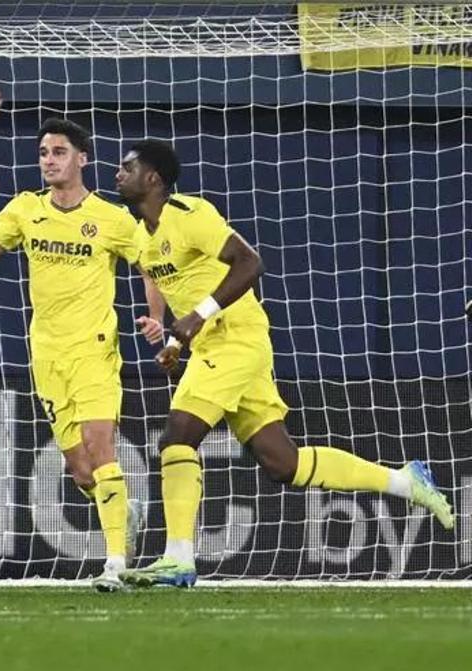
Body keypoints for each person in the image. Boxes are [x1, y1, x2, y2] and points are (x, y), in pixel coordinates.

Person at [113, 139, 454, 588]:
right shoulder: (142, 235)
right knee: (282, 463)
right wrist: (178, 342)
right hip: (219, 347)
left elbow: (250, 263)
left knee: (179, 436)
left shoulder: (190, 215)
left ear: (153, 178)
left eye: (128, 167)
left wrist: (197, 317)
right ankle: (405, 482)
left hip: (236, 338)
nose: (118, 173)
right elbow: (186, 288)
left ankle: (178, 558)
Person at [0, 118, 162, 590]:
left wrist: (156, 319)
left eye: (58, 152)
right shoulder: (26, 209)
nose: (49, 160)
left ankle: (116, 563)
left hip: (94, 349)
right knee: (81, 469)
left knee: (100, 446)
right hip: (47, 354)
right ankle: (122, 510)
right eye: (44, 153)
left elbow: (150, 267)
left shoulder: (111, 218)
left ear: (82, 159)